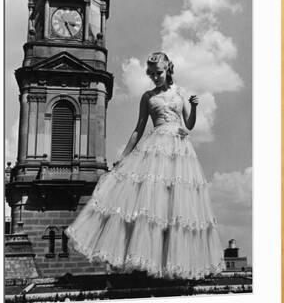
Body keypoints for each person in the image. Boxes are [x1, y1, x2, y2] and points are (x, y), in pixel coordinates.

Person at [65, 52, 225, 279]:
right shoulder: (147, 97)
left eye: (158, 73)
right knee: (152, 208)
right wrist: (123, 157)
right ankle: (151, 265)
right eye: (151, 74)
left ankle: (173, 267)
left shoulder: (179, 92)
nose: (155, 77)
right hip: (155, 148)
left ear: (168, 68)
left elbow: (188, 125)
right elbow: (139, 128)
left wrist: (194, 107)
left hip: (180, 151)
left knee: (177, 209)